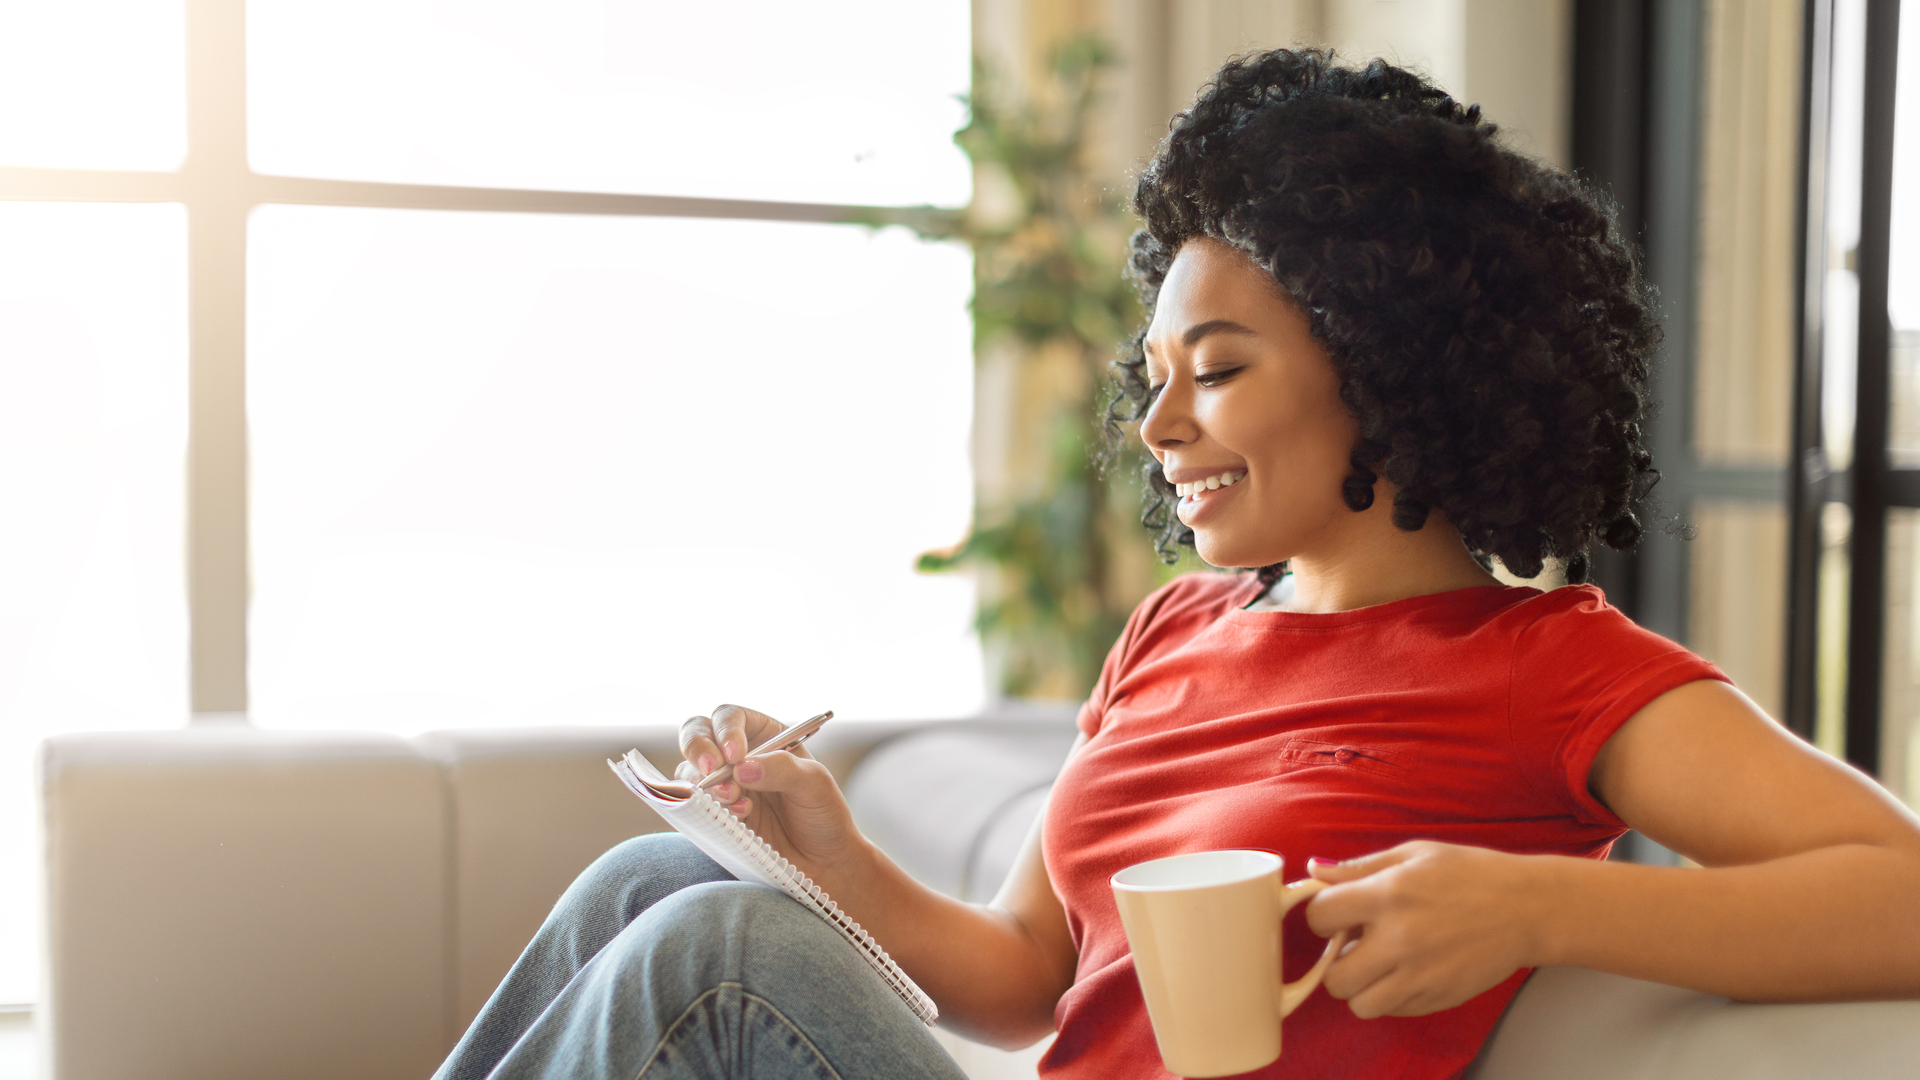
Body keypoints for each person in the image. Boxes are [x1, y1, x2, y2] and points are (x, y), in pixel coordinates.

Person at [434, 49, 1920, 1080]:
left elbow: (1898, 892)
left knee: (720, 951)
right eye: (1154, 373)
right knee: (662, 873)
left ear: (1384, 364)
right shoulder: (1176, 632)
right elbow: (1025, 981)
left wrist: (1535, 907)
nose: (1156, 424)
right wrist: (831, 852)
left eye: (1213, 371)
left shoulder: (1552, 666)